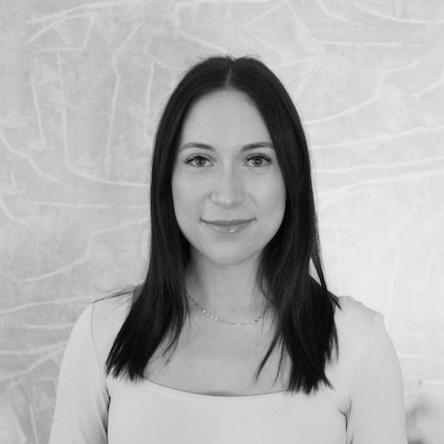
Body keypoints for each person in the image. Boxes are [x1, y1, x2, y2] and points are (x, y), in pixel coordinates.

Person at [49, 56, 407, 443]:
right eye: (199, 160)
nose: (227, 194)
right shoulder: (102, 332)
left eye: (256, 159)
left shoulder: (359, 343)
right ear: (167, 179)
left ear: (291, 176)